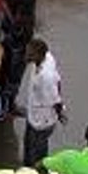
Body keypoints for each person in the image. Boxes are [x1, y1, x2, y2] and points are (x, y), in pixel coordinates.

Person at [0, 0, 41, 118]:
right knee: (15, 73)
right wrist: (23, 34)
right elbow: (23, 19)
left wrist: (8, 19)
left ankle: (0, 94)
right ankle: (9, 105)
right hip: (19, 38)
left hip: (7, 32)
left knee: (5, 65)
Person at [16, 37, 66, 166]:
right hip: (33, 113)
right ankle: (27, 166)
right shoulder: (47, 57)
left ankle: (38, 172)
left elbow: (55, 99)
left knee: (37, 151)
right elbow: (58, 80)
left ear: (38, 55)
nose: (26, 55)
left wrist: (60, 114)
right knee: (28, 143)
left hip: (42, 121)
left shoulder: (46, 76)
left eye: (29, 54)